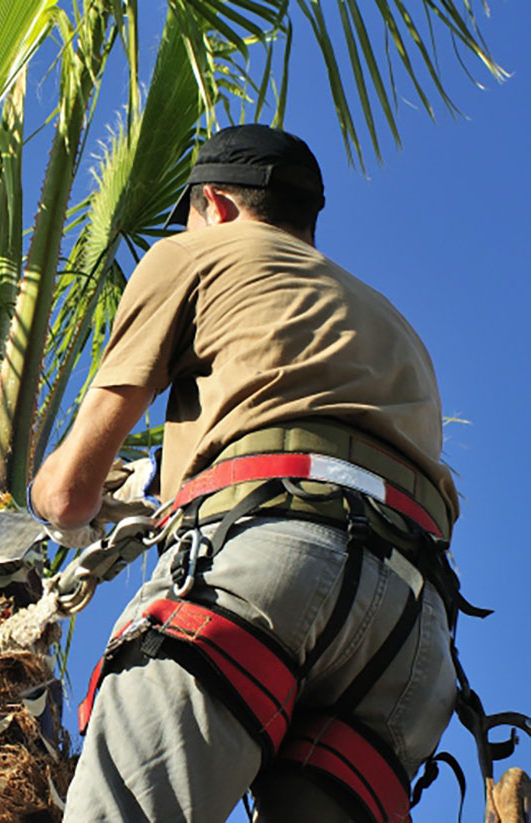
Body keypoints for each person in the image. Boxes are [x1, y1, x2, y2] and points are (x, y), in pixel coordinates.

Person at [29, 124, 461, 822]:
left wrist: (47, 505)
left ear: (218, 207)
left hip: (271, 567)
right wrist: (158, 482)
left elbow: (67, 493)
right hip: (411, 633)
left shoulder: (198, 253)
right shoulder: (391, 324)